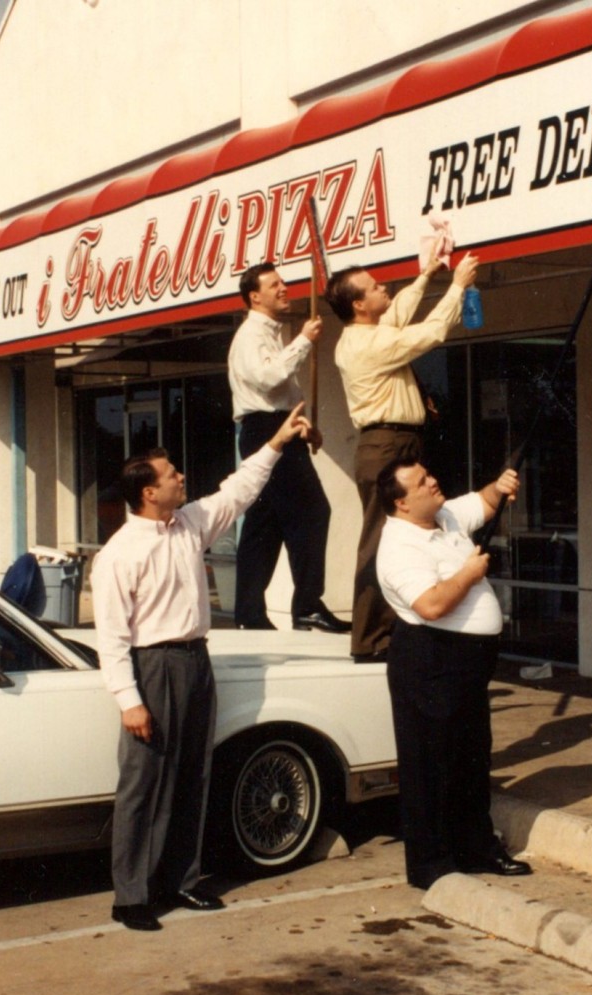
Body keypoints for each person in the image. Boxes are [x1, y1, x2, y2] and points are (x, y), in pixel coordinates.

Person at [91, 405, 312, 932]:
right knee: (145, 784)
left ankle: (180, 882)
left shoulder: (188, 524)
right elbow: (112, 637)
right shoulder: (119, 554)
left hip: (195, 661)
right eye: (171, 475)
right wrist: (130, 700)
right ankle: (132, 897)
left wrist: (278, 441)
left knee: (193, 775)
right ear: (149, 491)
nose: (181, 477)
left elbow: (239, 490)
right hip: (153, 668)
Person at [375, 457, 533, 890]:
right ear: (402, 503)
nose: (432, 481)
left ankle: (476, 850)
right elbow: (431, 605)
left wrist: (498, 486)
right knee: (430, 766)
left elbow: (481, 503)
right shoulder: (398, 546)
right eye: (422, 481)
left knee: (470, 758)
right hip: (430, 660)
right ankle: (432, 867)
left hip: (467, 663)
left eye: (430, 473)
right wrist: (469, 572)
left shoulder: (443, 515)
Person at [326, 245, 478, 663]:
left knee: (401, 537)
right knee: (380, 540)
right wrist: (458, 286)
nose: (384, 288)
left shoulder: (366, 332)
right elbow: (429, 332)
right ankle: (371, 640)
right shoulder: (367, 345)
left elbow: (399, 310)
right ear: (359, 305)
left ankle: (388, 631)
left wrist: (428, 273)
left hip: (398, 443)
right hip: (387, 444)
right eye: (375, 287)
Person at [228, 261, 350, 633]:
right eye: (274, 284)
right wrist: (304, 341)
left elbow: (280, 393)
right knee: (313, 510)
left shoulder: (269, 334)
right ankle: (308, 606)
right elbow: (269, 379)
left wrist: (302, 427)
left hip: (274, 428)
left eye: (283, 282)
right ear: (255, 297)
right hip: (265, 430)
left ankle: (249, 614)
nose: (284, 288)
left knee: (265, 525)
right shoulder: (251, 335)